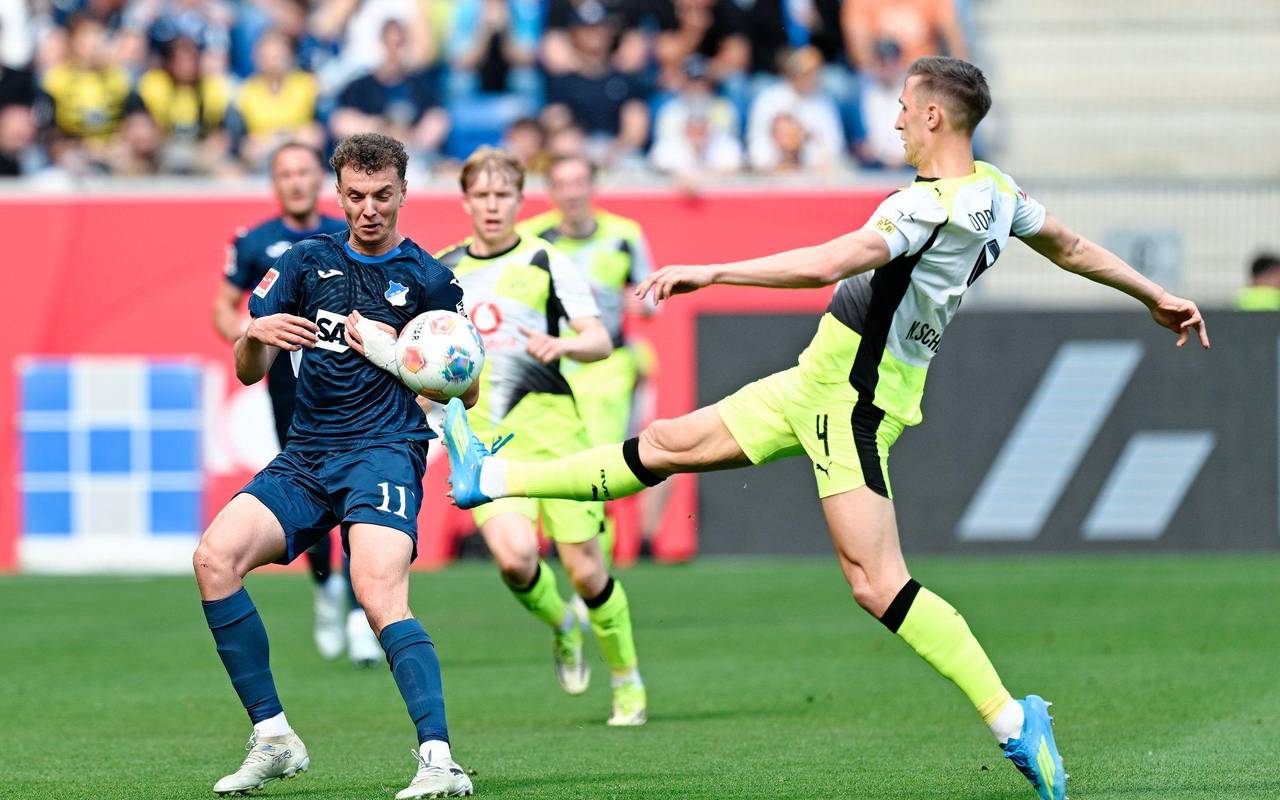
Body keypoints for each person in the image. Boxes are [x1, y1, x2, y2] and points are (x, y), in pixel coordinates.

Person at [441, 57, 1211, 800]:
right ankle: (490, 476)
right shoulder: (997, 192)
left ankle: (1015, 721)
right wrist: (1154, 294)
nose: (896, 121)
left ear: (934, 115)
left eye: (904, 109)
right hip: (814, 380)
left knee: (877, 585)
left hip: (853, 403)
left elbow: (825, 266)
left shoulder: (924, 207)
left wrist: (713, 270)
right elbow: (1069, 246)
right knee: (668, 443)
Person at [195, 133, 476, 798]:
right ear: (339, 193)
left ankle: (440, 761)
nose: (368, 209)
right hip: (307, 455)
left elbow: (464, 390)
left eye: (381, 195)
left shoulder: (430, 279)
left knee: (379, 595)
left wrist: (396, 356)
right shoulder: (303, 262)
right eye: (355, 196)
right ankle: (273, 737)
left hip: (384, 450)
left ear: (403, 192)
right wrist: (253, 335)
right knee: (214, 560)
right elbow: (249, 368)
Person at [435, 147, 648, 726]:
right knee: (514, 559)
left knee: (587, 571)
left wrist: (564, 345)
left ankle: (626, 677)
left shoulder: (546, 259)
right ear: (466, 201)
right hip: (483, 441)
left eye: (503, 195)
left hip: (557, 435)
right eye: (482, 195)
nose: (492, 206)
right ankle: (561, 622)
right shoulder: (442, 270)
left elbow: (599, 340)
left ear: (519, 199)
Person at [211, 141, 380, 666]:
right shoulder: (256, 242)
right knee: (311, 489)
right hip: (288, 386)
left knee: (357, 491)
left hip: (347, 383)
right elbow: (225, 307)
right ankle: (326, 587)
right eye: (286, 173)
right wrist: (251, 335)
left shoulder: (344, 233)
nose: (296, 182)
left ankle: (360, 612)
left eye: (305, 171)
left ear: (320, 180)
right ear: (275, 183)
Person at [517, 153, 656, 564]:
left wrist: (645, 303)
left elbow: (651, 296)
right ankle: (565, 553)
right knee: (551, 464)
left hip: (605, 366)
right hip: (549, 368)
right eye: (563, 184)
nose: (572, 193)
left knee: (595, 465)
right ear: (551, 191)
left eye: (579, 183)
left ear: (593, 186)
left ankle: (594, 570)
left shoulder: (624, 236)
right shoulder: (531, 238)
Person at [747, 45, 845, 173]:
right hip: (773, 174)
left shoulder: (824, 104)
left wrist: (802, 148)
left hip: (813, 174)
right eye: (804, 73)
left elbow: (834, 147)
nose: (809, 78)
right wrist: (782, 156)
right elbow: (756, 143)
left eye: (813, 73)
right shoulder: (768, 99)